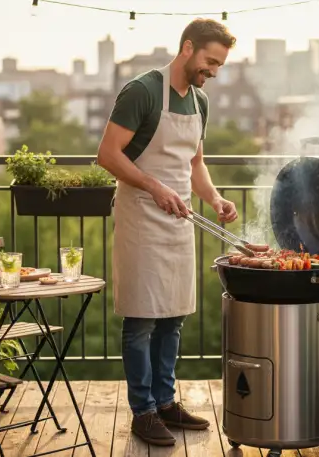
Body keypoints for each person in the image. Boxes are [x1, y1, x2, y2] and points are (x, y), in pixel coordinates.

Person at [96, 18, 238, 446]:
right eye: (210, 61)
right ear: (188, 47)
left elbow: (194, 165)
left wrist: (215, 199)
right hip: (141, 213)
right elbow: (106, 154)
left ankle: (165, 401)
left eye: (219, 65)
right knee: (141, 318)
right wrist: (154, 186)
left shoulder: (200, 102)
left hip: (179, 216)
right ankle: (142, 412)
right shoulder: (141, 91)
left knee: (173, 317)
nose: (213, 71)